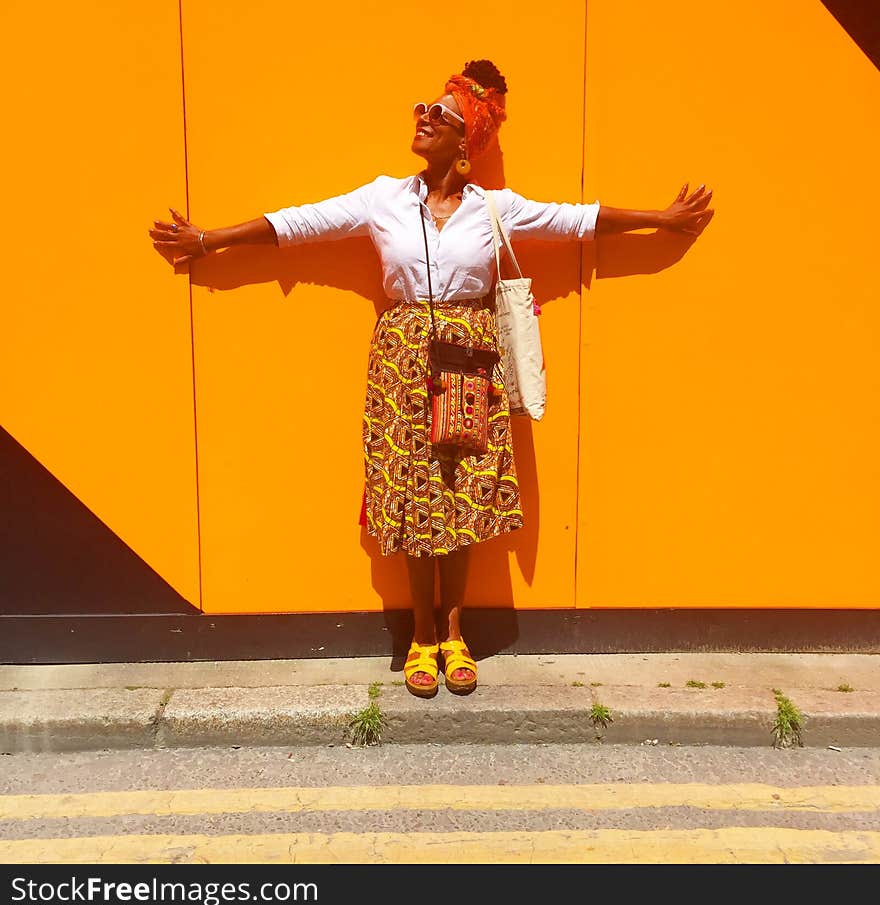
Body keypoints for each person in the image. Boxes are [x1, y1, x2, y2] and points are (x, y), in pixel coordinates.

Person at [149, 59, 713, 700]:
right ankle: (419, 631)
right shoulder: (383, 197)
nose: (421, 117)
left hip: (470, 359)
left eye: (438, 114)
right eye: (422, 109)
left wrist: (661, 221)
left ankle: (455, 630)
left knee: (463, 493)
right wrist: (210, 237)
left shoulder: (498, 209)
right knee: (413, 495)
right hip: (403, 364)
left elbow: (577, 219)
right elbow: (300, 222)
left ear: (466, 140)